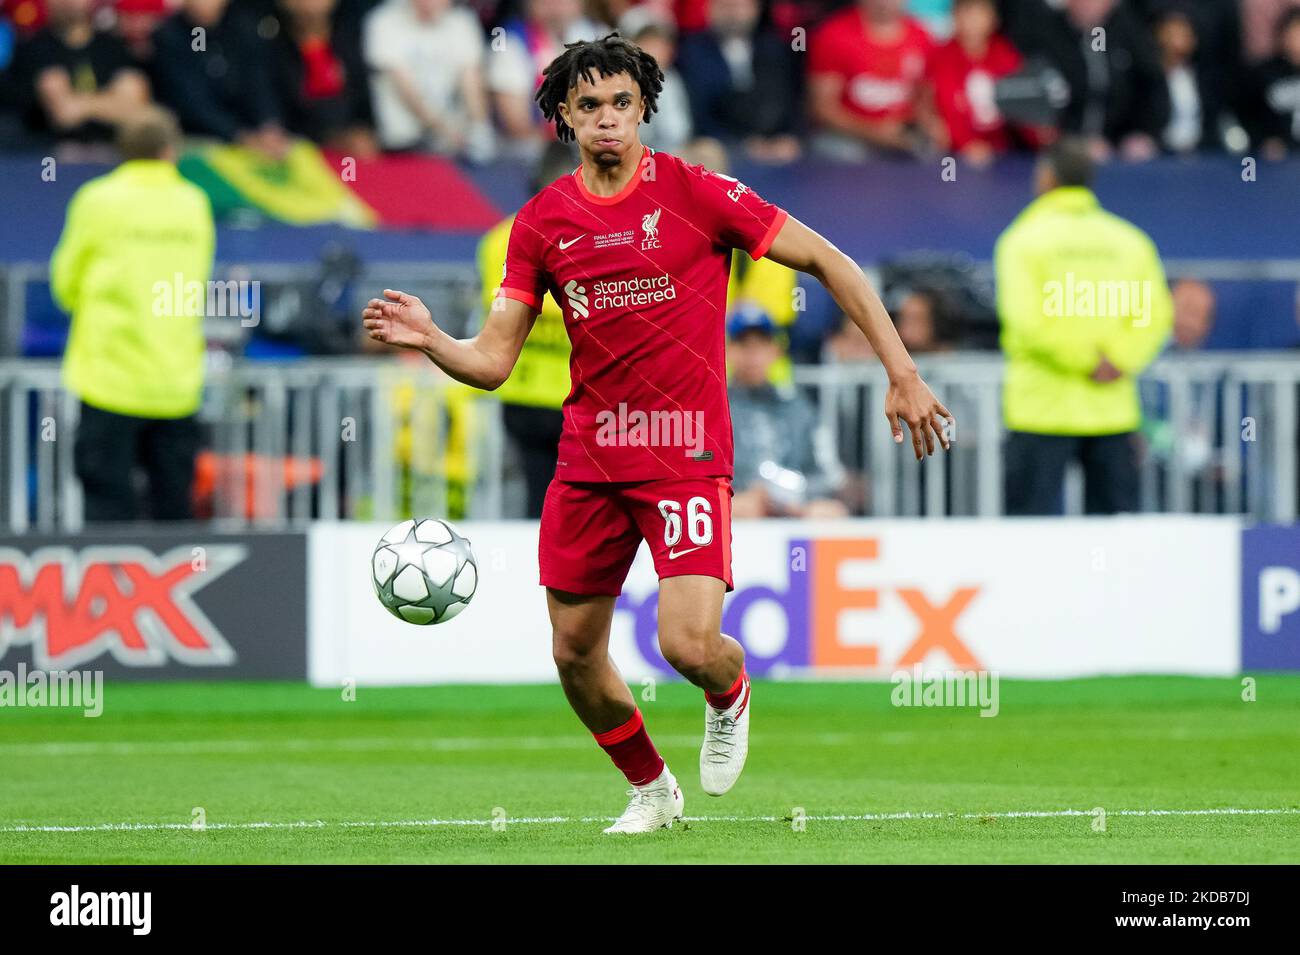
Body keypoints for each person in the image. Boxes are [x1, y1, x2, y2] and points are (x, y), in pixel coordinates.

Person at [363, 33, 951, 833]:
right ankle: (651, 786)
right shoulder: (539, 224)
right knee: (573, 651)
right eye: (589, 106)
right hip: (589, 458)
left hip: (684, 450)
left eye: (621, 103)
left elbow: (831, 261)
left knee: (686, 643)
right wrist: (434, 339)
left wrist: (903, 371)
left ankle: (730, 689)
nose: (607, 118)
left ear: (643, 107)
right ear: (565, 117)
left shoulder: (697, 191)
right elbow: (496, 360)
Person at [51, 107, 215, 522]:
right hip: (177, 380)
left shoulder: (98, 199)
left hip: (110, 377)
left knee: (107, 501)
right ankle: (174, 582)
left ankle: (112, 584)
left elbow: (65, 280)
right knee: (173, 504)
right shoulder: (193, 202)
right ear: (169, 151)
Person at [996, 137, 1172, 516]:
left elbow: (1026, 321)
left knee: (1028, 538)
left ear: (1046, 177)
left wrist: (1083, 361)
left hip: (1040, 410)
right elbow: (1153, 316)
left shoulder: (1022, 241)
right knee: (1115, 538)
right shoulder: (1130, 241)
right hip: (1112, 411)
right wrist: (1118, 360)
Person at [477, 141, 575, 517]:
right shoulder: (504, 239)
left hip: (536, 392)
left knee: (546, 500)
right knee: (558, 501)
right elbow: (503, 307)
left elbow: (505, 305)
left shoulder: (498, 238)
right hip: (549, 396)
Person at [727, 305, 848, 518]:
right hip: (738, 505)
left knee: (830, 513)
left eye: (761, 345)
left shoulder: (798, 407)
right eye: (744, 345)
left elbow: (828, 474)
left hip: (793, 505)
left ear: (775, 351)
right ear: (729, 350)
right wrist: (738, 495)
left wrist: (794, 496)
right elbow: (699, 466)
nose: (753, 355)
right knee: (739, 509)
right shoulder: (716, 406)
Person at [362, 0, 494, 160]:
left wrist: (479, 127)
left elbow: (471, 80)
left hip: (457, 147)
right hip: (402, 146)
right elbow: (406, 90)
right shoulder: (383, 20)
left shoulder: (462, 21)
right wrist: (445, 132)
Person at [8, 0, 150, 148]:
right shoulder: (31, 49)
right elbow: (62, 114)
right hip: (46, 156)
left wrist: (77, 104)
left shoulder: (115, 48)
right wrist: (110, 101)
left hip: (112, 151)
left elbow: (132, 108)